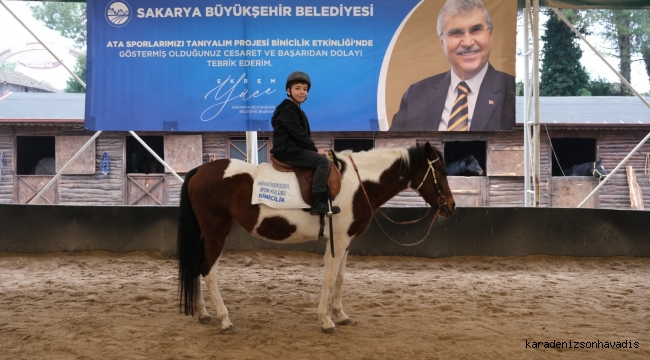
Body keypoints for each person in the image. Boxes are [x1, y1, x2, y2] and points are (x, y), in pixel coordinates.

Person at [389, 0, 515, 131]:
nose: (467, 42)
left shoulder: (511, 92)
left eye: (476, 30)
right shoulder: (415, 95)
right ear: (442, 43)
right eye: (456, 33)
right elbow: (393, 148)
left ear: (490, 35)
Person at [270, 71, 332, 215]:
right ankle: (318, 201)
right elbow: (297, 133)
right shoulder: (287, 109)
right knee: (323, 162)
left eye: (305, 89)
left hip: (293, 148)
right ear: (288, 90)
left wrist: (312, 148)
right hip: (288, 150)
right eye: (297, 88)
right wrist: (314, 150)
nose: (302, 92)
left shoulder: (296, 109)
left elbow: (301, 135)